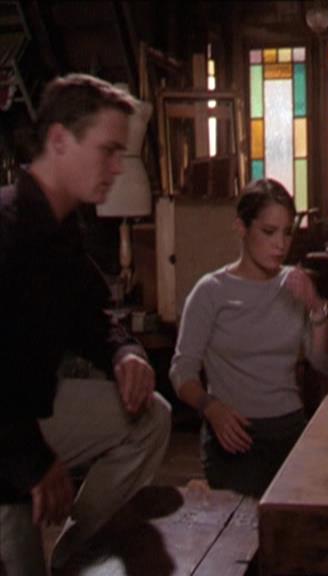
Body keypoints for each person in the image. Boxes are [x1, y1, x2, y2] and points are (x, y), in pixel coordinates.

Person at [0, 73, 171, 575]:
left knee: (151, 416)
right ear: (59, 140)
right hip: (6, 433)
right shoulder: (7, 228)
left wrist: (125, 351)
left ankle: (75, 553)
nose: (118, 167)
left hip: (28, 413)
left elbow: (91, 316)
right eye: (108, 151)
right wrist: (34, 461)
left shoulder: (63, 229)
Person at [170, 178, 328, 497]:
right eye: (269, 232)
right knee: (244, 518)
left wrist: (316, 307)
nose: (280, 245)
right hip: (234, 430)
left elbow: (322, 363)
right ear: (241, 228)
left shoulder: (296, 284)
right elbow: (181, 372)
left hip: (289, 428)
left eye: (287, 232)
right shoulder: (211, 291)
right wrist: (211, 408)